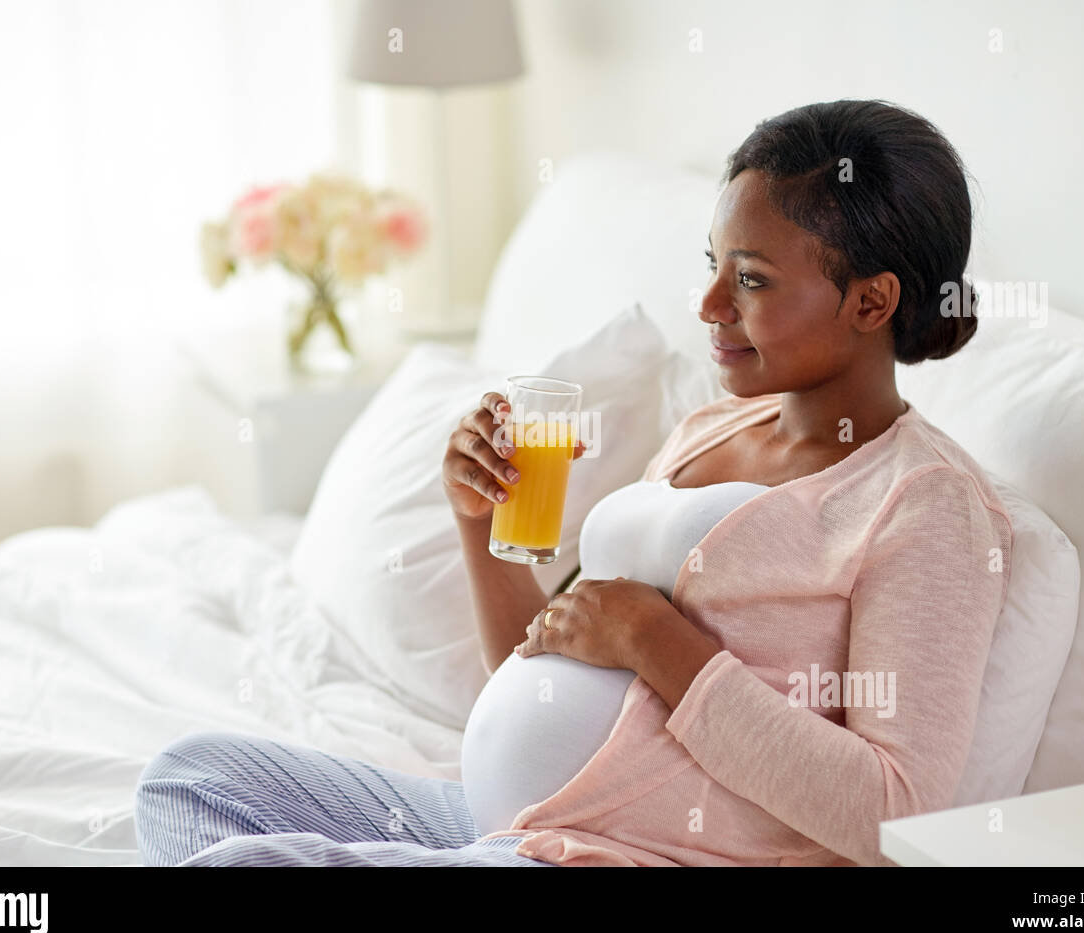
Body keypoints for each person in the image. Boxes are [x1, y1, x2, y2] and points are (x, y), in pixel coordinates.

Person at [134, 98, 1011, 867]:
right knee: (192, 782)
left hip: (639, 854)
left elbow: (900, 814)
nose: (708, 304)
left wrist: (659, 643)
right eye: (712, 264)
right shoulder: (714, 426)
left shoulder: (925, 503)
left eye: (749, 279)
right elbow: (546, 668)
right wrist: (478, 526)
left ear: (871, 302)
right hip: (516, 824)